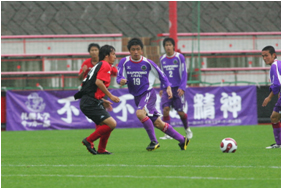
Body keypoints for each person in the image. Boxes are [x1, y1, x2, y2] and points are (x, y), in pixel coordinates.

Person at [117, 38, 190, 151]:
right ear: (129, 51)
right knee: (158, 123)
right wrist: (121, 80)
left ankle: (154, 141)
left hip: (148, 94)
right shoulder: (124, 62)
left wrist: (168, 87)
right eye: (133, 49)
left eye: (138, 49)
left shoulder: (147, 63)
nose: (136, 52)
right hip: (137, 96)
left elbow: (162, 75)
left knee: (140, 113)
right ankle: (182, 139)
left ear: (142, 50)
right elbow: (119, 77)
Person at [74, 45, 120, 155]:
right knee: (111, 124)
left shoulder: (100, 65)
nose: (115, 56)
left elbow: (92, 86)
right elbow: (98, 82)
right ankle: (89, 140)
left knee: (108, 124)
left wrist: (103, 99)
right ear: (106, 55)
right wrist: (111, 96)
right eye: (113, 54)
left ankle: (101, 149)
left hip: (91, 100)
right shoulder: (105, 65)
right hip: (89, 102)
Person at [158, 37, 193, 140]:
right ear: (164, 47)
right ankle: (168, 134)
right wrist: (161, 88)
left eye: (170, 45)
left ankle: (187, 129)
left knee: (180, 112)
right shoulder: (162, 59)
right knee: (165, 109)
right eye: (166, 45)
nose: (168, 47)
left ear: (173, 46)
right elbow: (162, 75)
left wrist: (182, 87)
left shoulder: (179, 57)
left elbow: (184, 72)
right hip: (166, 89)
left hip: (177, 89)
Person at [261, 46, 281, 149]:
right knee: (274, 117)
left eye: (266, 55)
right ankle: (279, 144)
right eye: (263, 56)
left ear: (273, 55)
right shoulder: (278, 64)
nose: (264, 58)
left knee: (275, 117)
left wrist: (269, 97)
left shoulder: (275, 65)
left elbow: (277, 85)